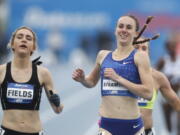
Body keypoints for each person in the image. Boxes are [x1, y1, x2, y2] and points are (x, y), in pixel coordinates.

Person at [72, 15, 154, 135]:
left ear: (135, 33)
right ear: (115, 30)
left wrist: (118, 79)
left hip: (133, 127)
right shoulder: (103, 55)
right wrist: (83, 79)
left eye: (129, 27)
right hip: (107, 126)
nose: (124, 30)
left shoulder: (140, 57)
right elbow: (91, 82)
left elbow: (148, 93)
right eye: (121, 26)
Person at [0, 26, 63, 135]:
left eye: (29, 38)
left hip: (34, 132)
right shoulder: (2, 70)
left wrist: (57, 101)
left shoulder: (43, 73)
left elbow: (58, 110)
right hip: (7, 131)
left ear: (33, 47)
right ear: (12, 44)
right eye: (19, 37)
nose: (24, 39)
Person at [134, 40, 180, 135]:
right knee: (168, 121)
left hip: (146, 131)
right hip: (121, 130)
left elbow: (177, 104)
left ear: (148, 52)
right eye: (136, 48)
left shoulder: (157, 77)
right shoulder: (117, 74)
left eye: (144, 48)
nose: (140, 52)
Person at [156, 34, 180, 135]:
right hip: (166, 95)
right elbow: (154, 75)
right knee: (168, 121)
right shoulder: (163, 61)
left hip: (178, 94)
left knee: (179, 122)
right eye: (170, 46)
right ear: (166, 47)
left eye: (174, 46)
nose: (172, 48)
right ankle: (168, 132)